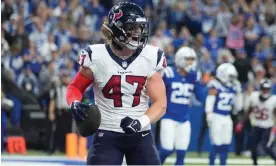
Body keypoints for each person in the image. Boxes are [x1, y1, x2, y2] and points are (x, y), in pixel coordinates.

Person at [66, 2, 167, 165]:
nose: (138, 32)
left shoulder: (150, 56)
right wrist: (74, 103)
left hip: (140, 134)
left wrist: (139, 123)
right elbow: (75, 87)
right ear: (118, 28)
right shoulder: (97, 56)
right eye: (132, 27)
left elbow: (160, 104)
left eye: (139, 27)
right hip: (106, 133)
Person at [159, 47, 203, 165]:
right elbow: (157, 93)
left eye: (192, 59)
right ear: (180, 59)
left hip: (184, 119)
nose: (191, 62)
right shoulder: (168, 73)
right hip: (168, 116)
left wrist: (196, 82)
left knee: (181, 153)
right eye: (188, 59)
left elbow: (201, 97)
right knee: (166, 149)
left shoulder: (194, 76)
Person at [206, 63, 243, 166]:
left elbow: (238, 107)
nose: (232, 79)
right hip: (216, 116)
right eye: (230, 76)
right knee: (216, 143)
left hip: (227, 117)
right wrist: (209, 114)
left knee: (226, 144)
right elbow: (210, 100)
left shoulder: (234, 86)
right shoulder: (215, 84)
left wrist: (239, 94)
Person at [236, 78, 276, 165]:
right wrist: (241, 123)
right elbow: (248, 111)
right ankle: (255, 163)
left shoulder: (273, 99)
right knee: (252, 147)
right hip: (256, 125)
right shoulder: (254, 96)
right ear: (260, 88)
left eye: (267, 89)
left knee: (266, 147)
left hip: (268, 127)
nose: (265, 91)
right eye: (264, 88)